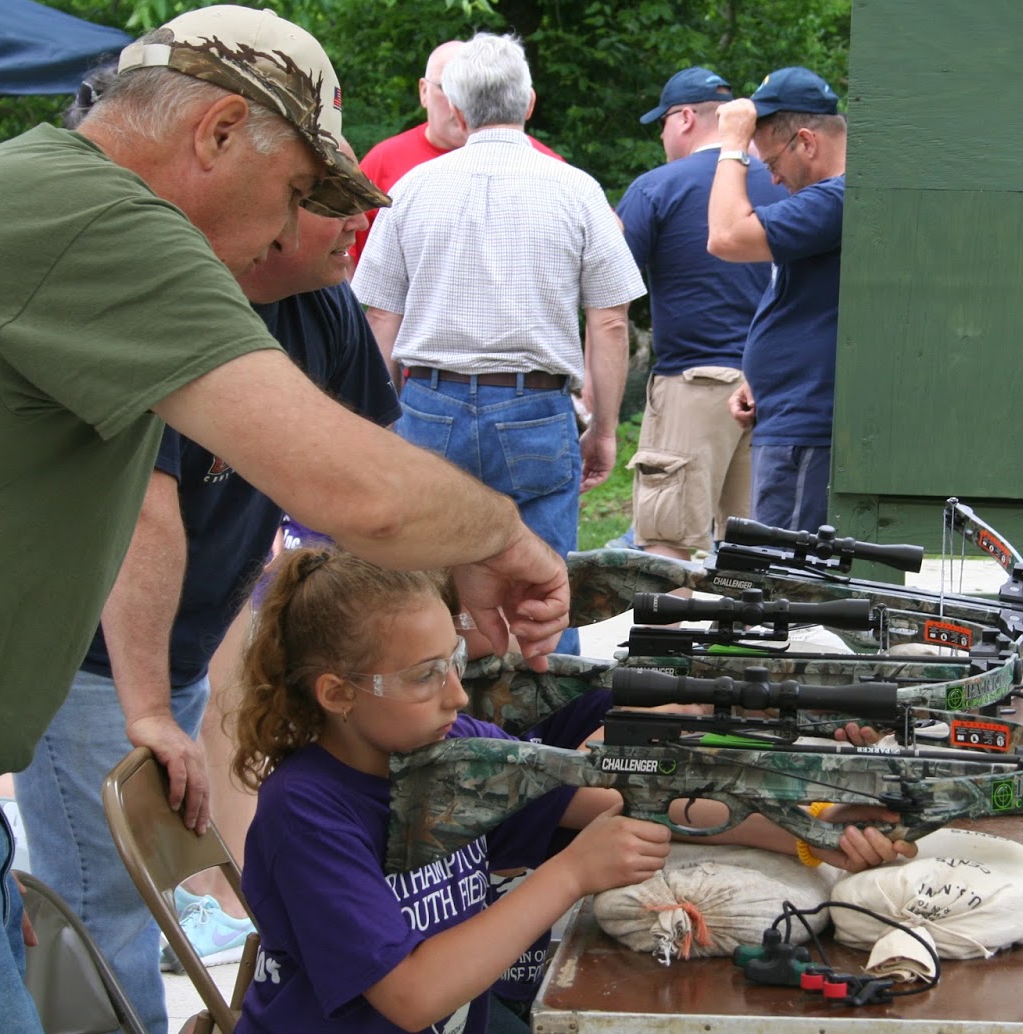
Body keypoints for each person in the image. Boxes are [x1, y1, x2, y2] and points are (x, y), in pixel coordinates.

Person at [0, 5, 571, 1033]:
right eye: (295, 191)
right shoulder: (100, 219)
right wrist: (503, 537)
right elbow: (352, 490)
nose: (290, 229)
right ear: (218, 131)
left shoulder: (49, 204)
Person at [231, 547, 914, 1033]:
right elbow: (410, 998)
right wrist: (569, 875)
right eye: (424, 676)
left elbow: (619, 794)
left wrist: (814, 825)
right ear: (338, 694)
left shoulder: (449, 748)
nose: (457, 693)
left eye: (454, 664)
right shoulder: (306, 813)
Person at [354, 32, 646, 655]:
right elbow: (612, 320)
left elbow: (380, 319)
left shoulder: (410, 189)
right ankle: (546, 731)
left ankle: (436, 717)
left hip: (428, 406)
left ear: (455, 110)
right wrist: (603, 429)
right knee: (542, 592)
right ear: (531, 103)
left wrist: (372, 428)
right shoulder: (576, 189)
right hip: (535, 412)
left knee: (424, 587)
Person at [615, 67, 786, 561]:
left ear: (685, 117)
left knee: (667, 545)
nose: (663, 136)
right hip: (773, 391)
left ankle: (664, 639)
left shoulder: (656, 188)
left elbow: (610, 292)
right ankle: (749, 639)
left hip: (691, 386)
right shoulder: (783, 182)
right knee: (757, 554)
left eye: (663, 122)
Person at [706, 68, 847, 534]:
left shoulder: (836, 199)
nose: (774, 177)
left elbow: (726, 236)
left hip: (805, 432)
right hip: (790, 417)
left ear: (806, 142)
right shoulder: (828, 201)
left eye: (770, 163)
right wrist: (762, 379)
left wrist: (731, 146)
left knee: (785, 589)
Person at [352, 39, 563, 260]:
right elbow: (346, 258)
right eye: (447, 87)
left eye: (472, 90)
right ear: (424, 91)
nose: (461, 100)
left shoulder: (549, 169)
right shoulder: (383, 162)